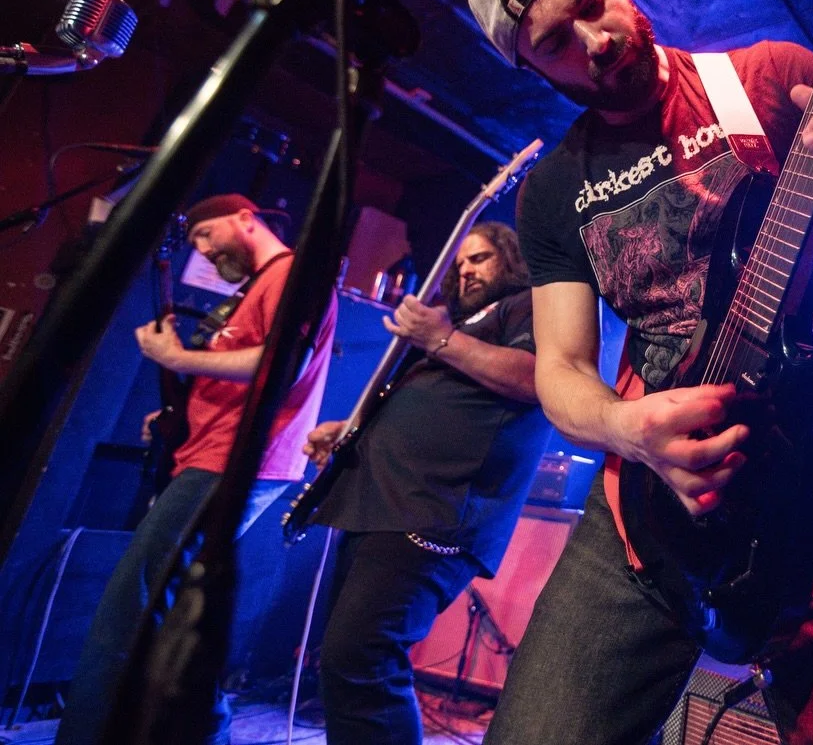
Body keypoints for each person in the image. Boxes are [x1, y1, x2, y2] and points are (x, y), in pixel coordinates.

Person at [464, 0, 813, 745]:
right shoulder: (555, 188)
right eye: (556, 43)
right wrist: (626, 427)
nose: (594, 42)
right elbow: (559, 368)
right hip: (652, 494)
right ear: (532, 66)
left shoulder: (767, 78)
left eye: (592, 4)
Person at [56, 194, 337, 745]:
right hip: (211, 454)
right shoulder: (257, 287)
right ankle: (210, 731)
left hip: (235, 461)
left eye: (207, 236)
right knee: (174, 605)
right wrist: (178, 411)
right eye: (196, 245)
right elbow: (237, 372)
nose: (205, 251)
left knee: (131, 599)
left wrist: (178, 358)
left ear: (244, 218)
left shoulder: (292, 274)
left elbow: (281, 363)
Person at [302, 221, 548, 745]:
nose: (466, 270)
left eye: (479, 258)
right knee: (344, 663)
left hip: (438, 510)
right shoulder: (456, 330)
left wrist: (438, 336)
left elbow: (536, 378)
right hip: (384, 505)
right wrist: (350, 433)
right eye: (460, 264)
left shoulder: (527, 305)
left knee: (361, 658)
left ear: (510, 257)